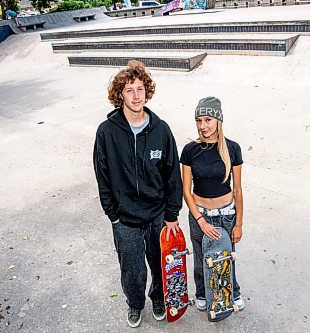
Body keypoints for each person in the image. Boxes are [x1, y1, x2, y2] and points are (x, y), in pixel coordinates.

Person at [93, 60, 183, 328]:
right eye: (129, 90)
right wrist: (113, 214)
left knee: (159, 263)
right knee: (132, 270)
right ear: (119, 94)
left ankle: (158, 297)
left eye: (140, 89)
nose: (136, 95)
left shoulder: (161, 129)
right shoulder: (107, 132)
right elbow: (103, 174)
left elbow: (172, 175)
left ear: (147, 92)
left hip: (156, 214)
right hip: (126, 219)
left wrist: (171, 214)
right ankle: (135, 304)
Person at [180, 96, 245, 312]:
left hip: (226, 214)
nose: (202, 126)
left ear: (218, 121)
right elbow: (186, 191)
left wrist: (238, 223)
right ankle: (202, 292)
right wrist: (200, 221)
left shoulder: (233, 149)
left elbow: (237, 190)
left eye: (207, 120)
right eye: (199, 120)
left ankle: (232, 292)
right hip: (200, 214)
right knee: (200, 259)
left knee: (226, 256)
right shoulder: (190, 150)